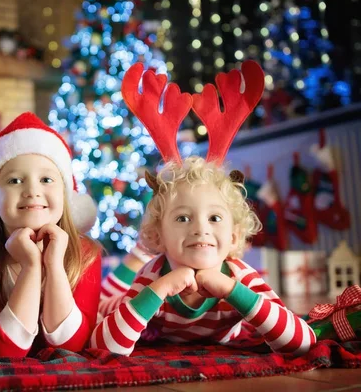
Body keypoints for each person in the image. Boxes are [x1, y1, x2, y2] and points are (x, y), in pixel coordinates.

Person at [91, 60, 317, 356]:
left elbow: (303, 342)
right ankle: (122, 271)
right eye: (183, 217)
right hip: (118, 305)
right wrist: (161, 288)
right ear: (158, 237)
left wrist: (230, 290)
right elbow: (103, 346)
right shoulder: (154, 274)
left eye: (215, 217)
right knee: (99, 309)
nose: (200, 228)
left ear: (234, 237)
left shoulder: (239, 275)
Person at [0, 112, 101, 357]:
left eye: (46, 179)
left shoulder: (86, 255)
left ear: (65, 195)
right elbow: (2, 352)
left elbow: (71, 348)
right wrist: (31, 267)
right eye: (14, 181)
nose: (32, 190)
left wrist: (54, 265)